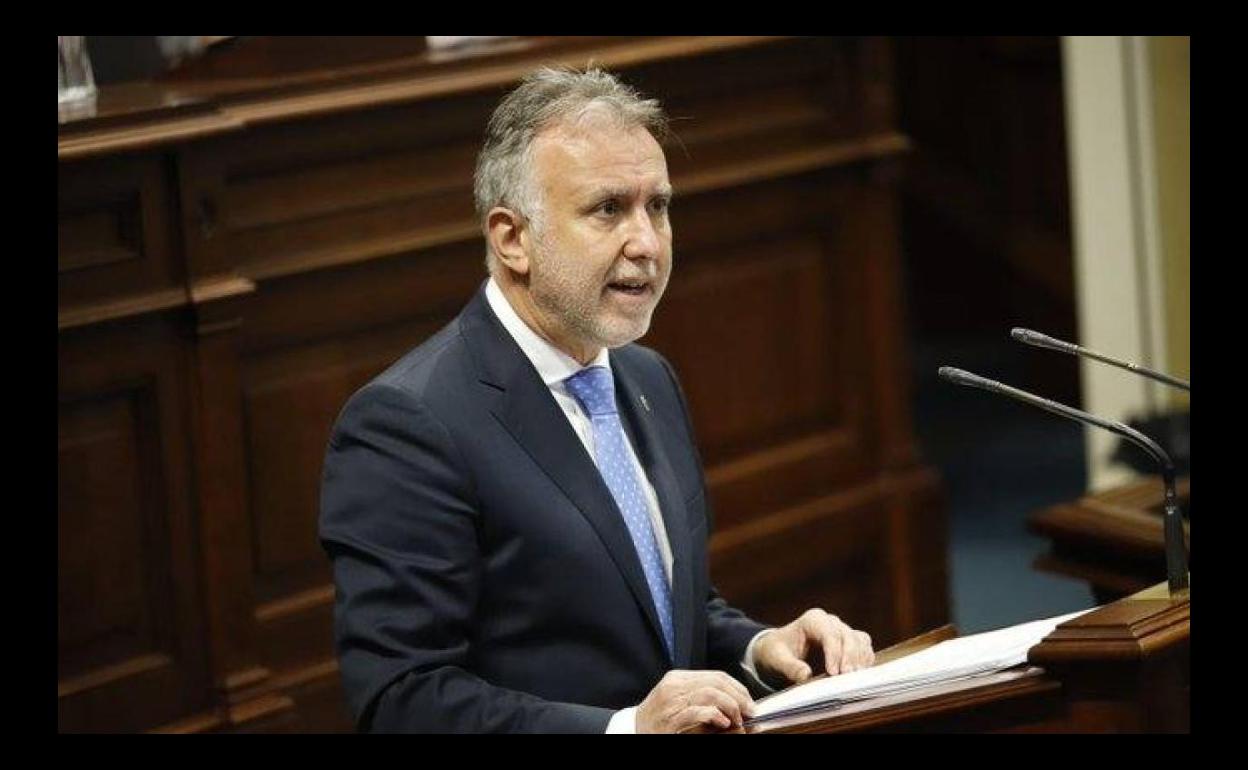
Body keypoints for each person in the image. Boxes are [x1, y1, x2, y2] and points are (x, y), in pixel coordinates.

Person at [320, 66, 874, 734]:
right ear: (512, 239)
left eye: (658, 207)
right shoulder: (406, 424)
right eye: (608, 209)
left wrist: (761, 648)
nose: (647, 243)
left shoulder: (647, 377)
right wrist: (624, 730)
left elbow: (655, 610)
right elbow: (401, 699)